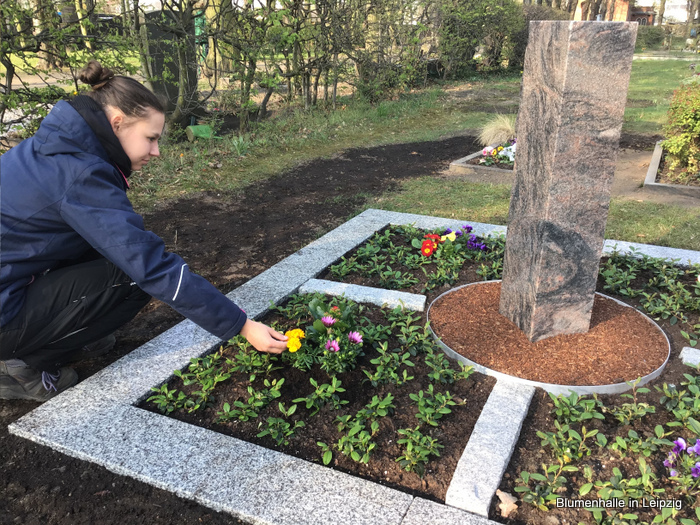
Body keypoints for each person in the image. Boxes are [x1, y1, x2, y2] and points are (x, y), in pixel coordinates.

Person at [0, 61, 288, 402]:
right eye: (150, 138)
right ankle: (23, 366)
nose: (156, 151)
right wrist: (241, 325)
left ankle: (71, 334)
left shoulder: (57, 148)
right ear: (117, 122)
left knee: (109, 258)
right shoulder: (79, 172)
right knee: (132, 279)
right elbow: (149, 265)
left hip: (13, 281)